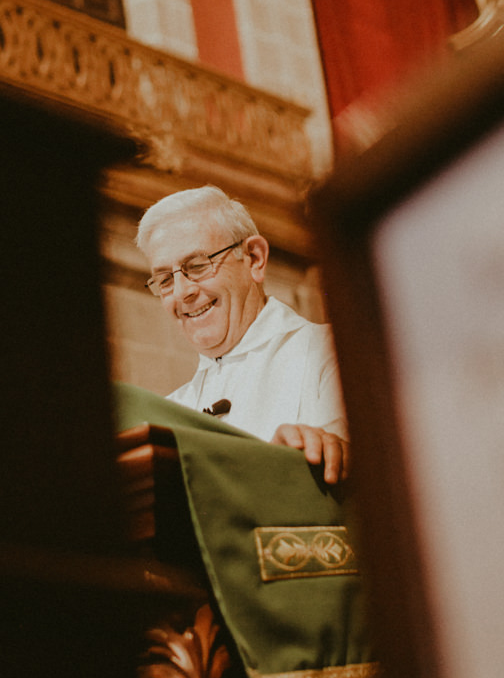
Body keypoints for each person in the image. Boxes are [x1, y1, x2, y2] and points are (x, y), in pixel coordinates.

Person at [136, 186, 349, 485]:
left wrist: (327, 447)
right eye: (165, 280)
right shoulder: (167, 416)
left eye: (197, 266)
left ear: (254, 258)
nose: (183, 292)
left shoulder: (333, 354)